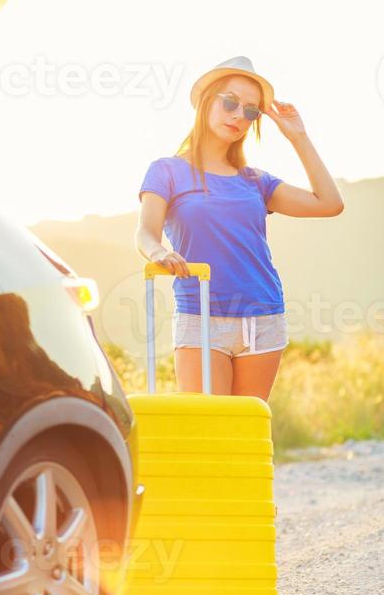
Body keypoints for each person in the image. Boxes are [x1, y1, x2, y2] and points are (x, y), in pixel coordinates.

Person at [136, 56, 344, 401]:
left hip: (263, 315)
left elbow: (329, 203)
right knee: (210, 434)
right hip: (200, 314)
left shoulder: (256, 181)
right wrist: (159, 252)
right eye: (230, 102)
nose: (238, 115)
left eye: (250, 111)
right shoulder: (167, 171)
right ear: (206, 102)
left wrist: (299, 137)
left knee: (247, 433)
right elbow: (145, 232)